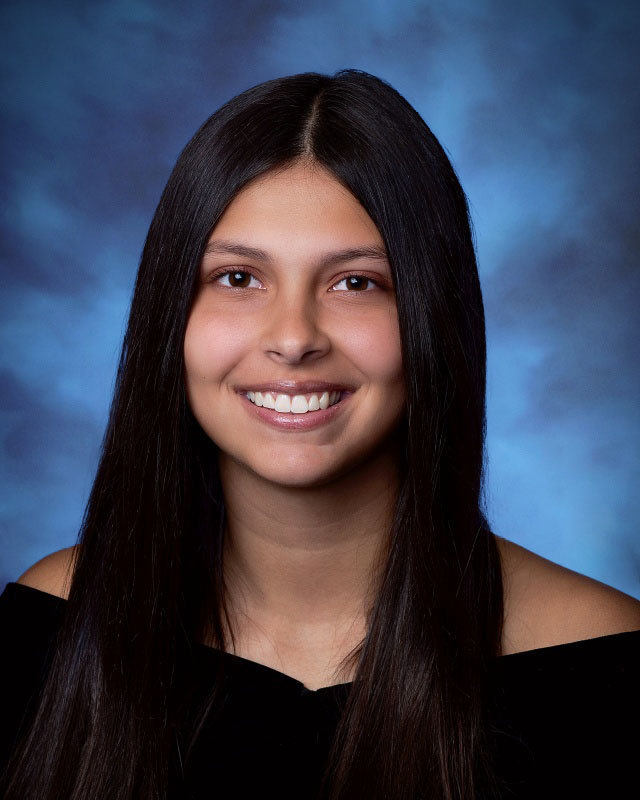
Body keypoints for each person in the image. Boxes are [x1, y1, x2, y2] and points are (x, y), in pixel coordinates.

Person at [1, 69, 638, 800]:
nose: (294, 338)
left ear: (433, 318)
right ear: (169, 315)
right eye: (238, 278)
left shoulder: (604, 664)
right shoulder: (48, 627)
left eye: (355, 283)